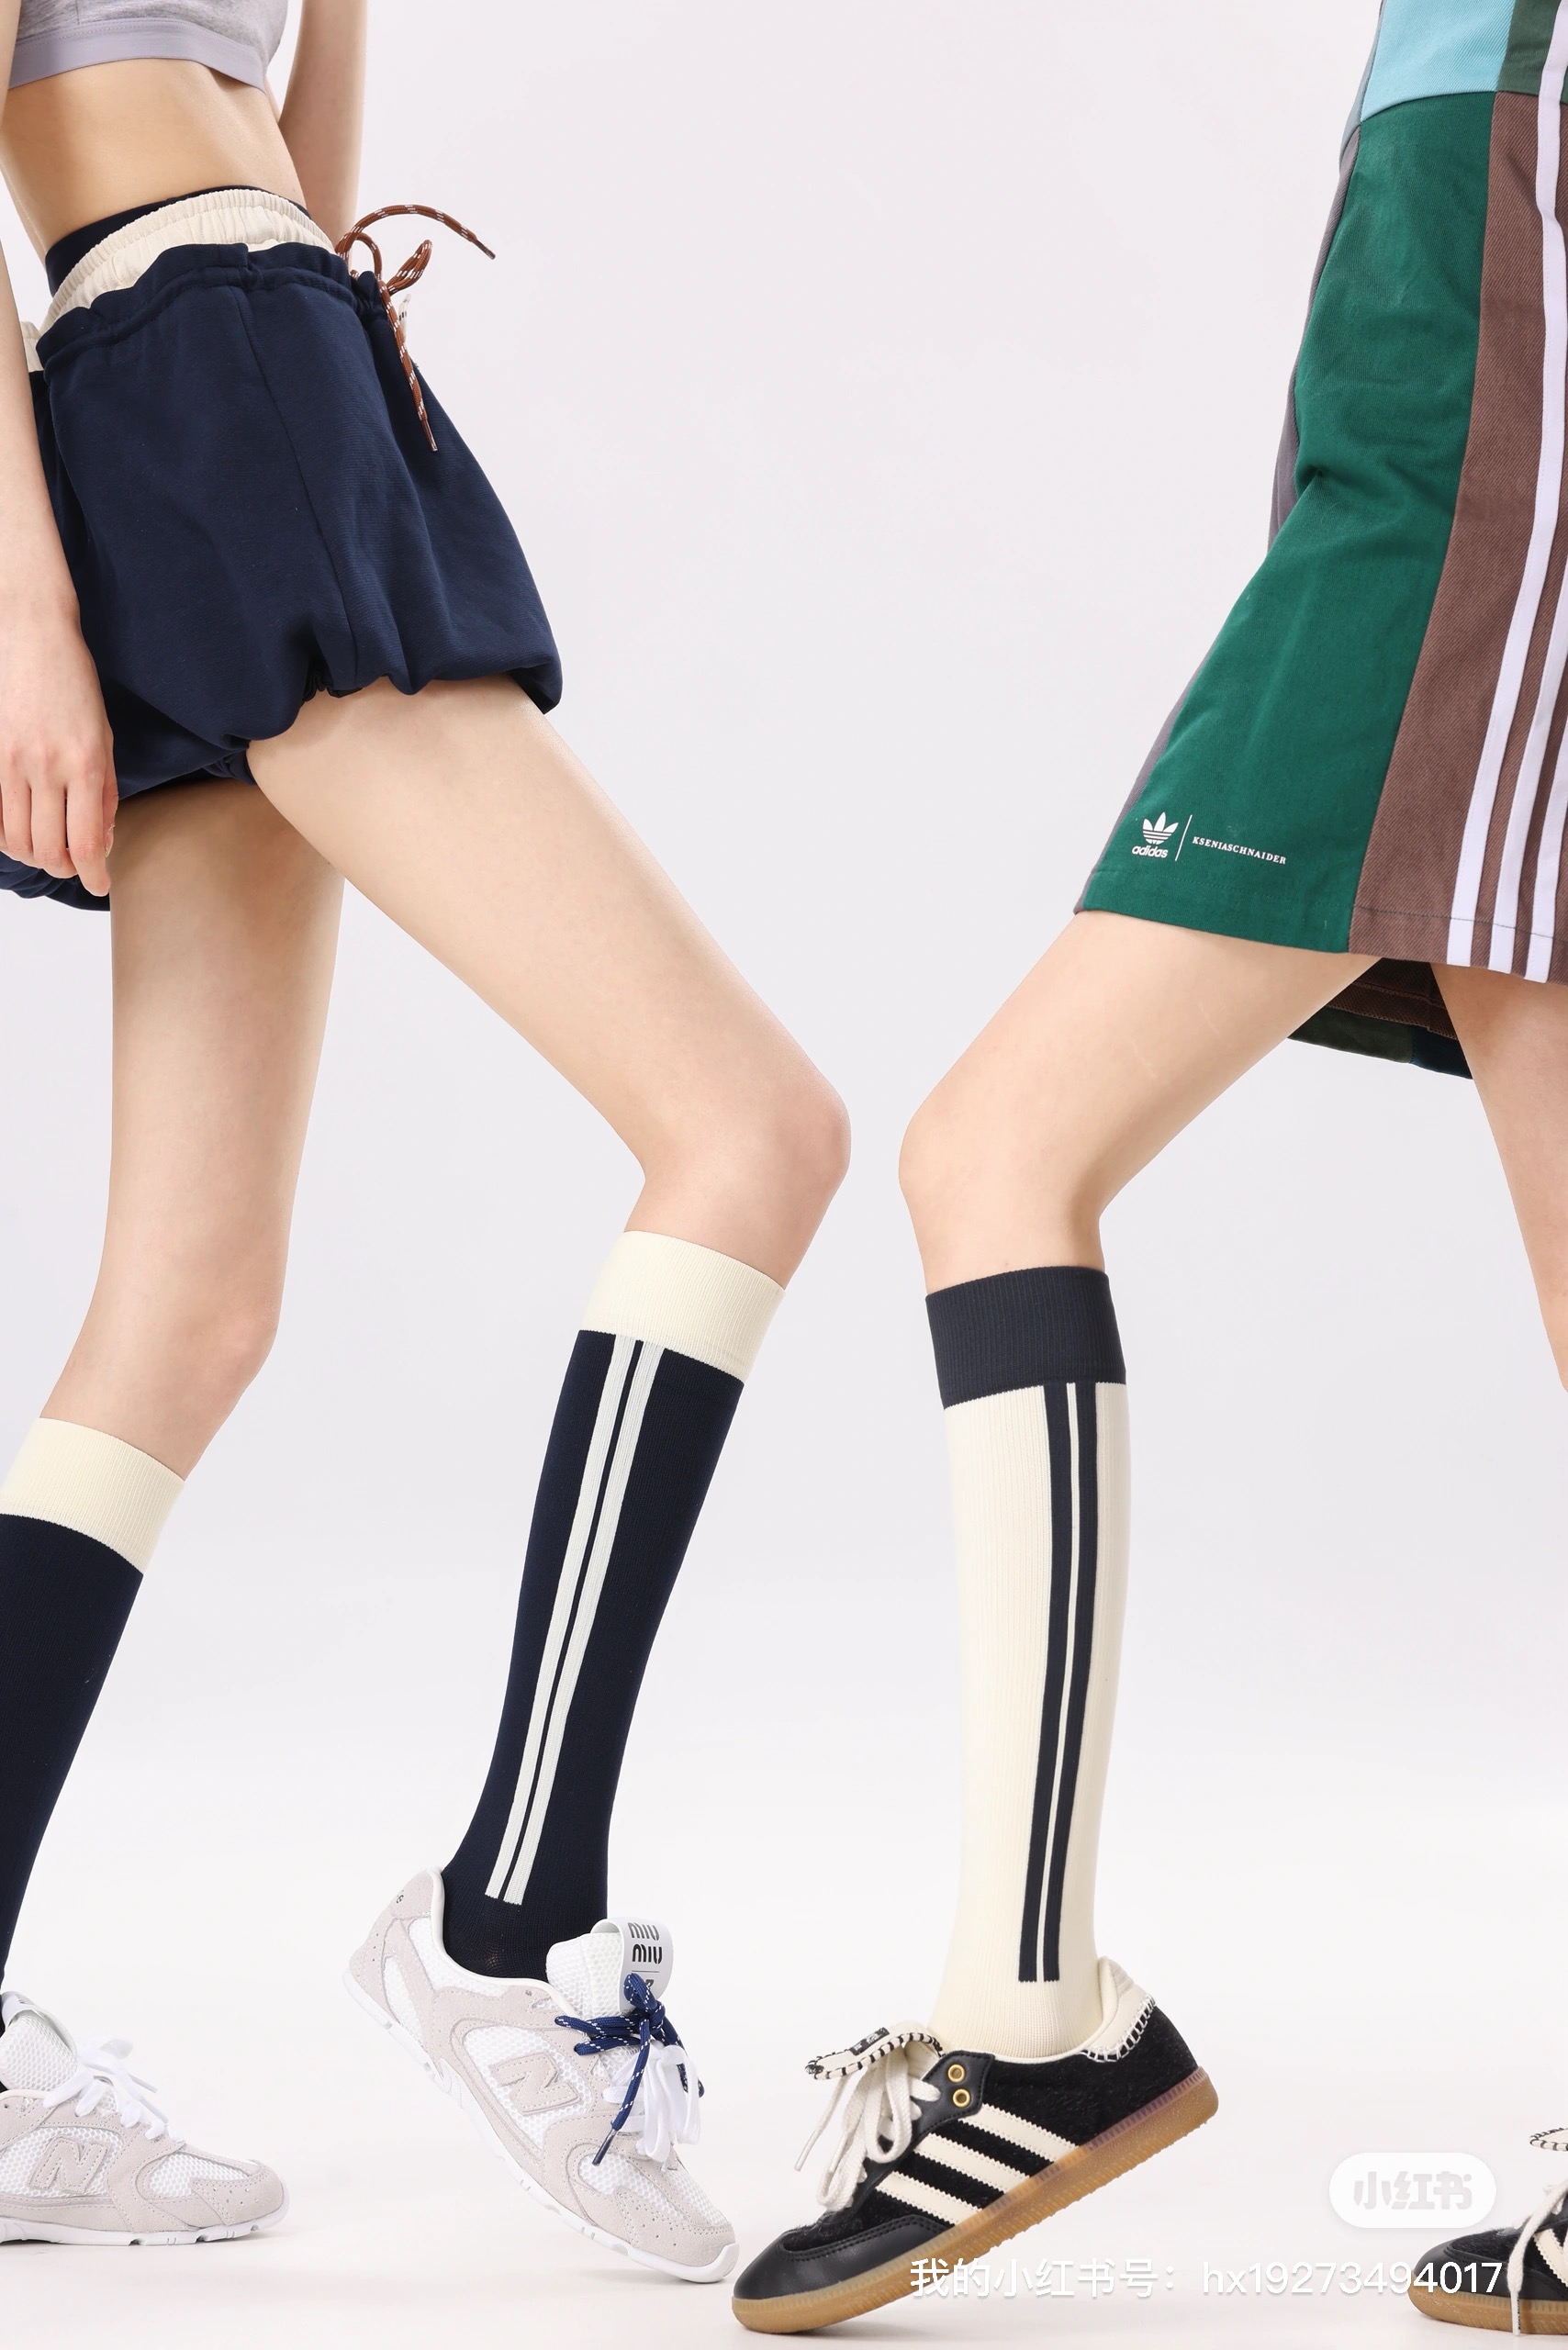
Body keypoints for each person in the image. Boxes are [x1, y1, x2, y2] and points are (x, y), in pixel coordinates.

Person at [732, 0, 1568, 2333]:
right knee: (1011, 1150)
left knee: (998, 1144)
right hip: (1454, 256)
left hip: (1494, 268)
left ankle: (1034, 2016)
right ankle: (1032, 2009)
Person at [0, 0, 846, 2277]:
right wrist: (24, 606)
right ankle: (509, 1917)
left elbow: (302, 155)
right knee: (747, 1126)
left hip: (280, 364)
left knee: (184, 1310)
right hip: (186, 384)